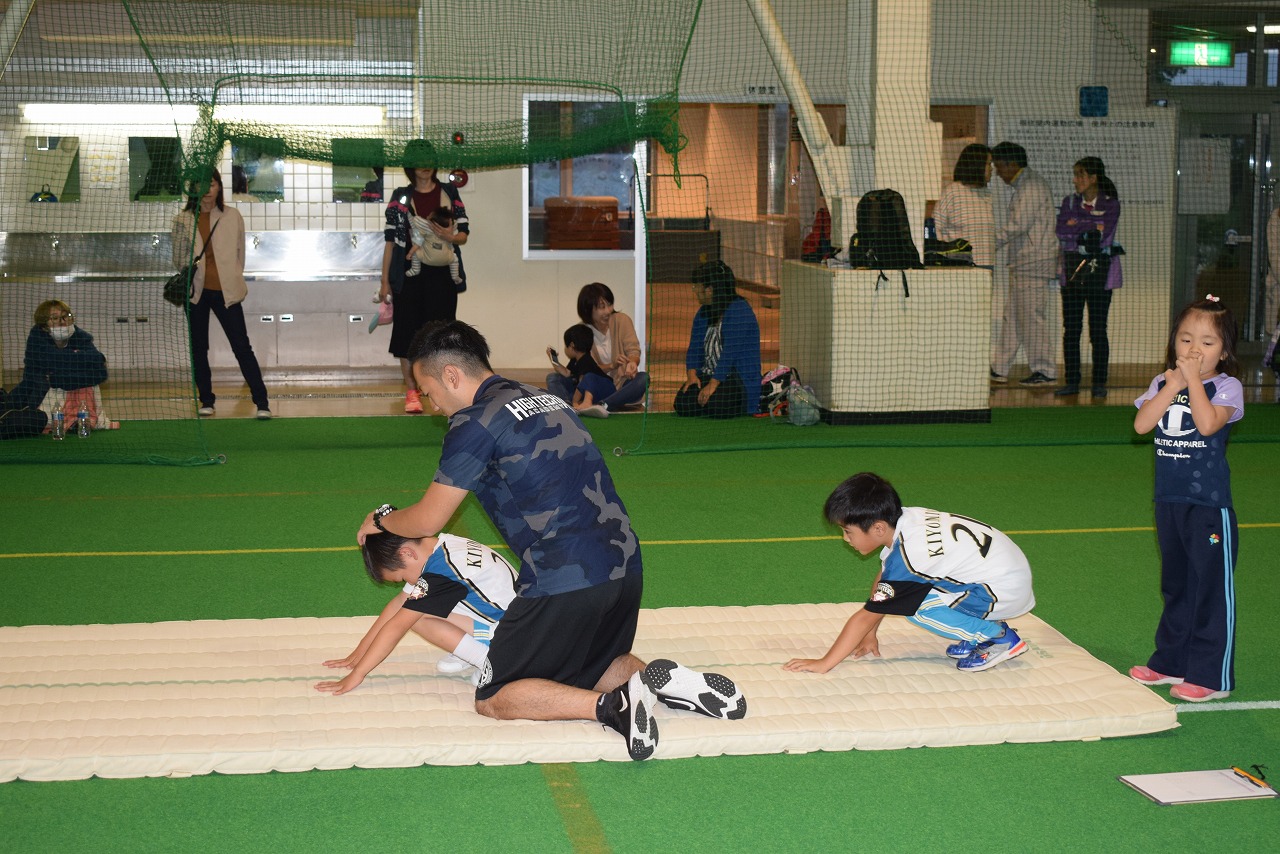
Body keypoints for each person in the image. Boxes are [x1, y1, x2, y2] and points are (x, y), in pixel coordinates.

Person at [356, 320, 745, 761]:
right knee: (588, 664)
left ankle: (610, 707)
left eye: (428, 391)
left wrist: (383, 520)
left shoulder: (474, 422)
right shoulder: (544, 397)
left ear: (450, 375)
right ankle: (667, 680)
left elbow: (429, 518)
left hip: (565, 574)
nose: (433, 405)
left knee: (493, 696)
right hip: (625, 565)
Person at [783, 472, 1035, 674]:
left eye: (848, 532)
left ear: (878, 528)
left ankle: (999, 637)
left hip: (1002, 590)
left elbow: (868, 614)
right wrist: (870, 635)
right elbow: (885, 583)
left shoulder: (910, 555)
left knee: (915, 609)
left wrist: (824, 663)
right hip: (1001, 577)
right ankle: (980, 626)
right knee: (908, 595)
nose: (845, 539)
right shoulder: (905, 520)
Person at [1130, 296, 1243, 703]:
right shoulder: (1163, 383)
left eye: (1208, 343)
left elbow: (1209, 423)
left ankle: (1211, 675)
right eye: (1186, 339)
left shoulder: (1227, 386)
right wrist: (1172, 385)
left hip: (1209, 508)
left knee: (1211, 588)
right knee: (1176, 585)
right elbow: (1142, 424)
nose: (1194, 350)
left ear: (1225, 351)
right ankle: (1171, 661)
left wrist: (1193, 380)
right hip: (1169, 502)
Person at [316, 527, 518, 694]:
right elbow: (398, 603)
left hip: (515, 635)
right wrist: (361, 650)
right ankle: (475, 648)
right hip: (520, 618)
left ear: (407, 553)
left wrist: (358, 674)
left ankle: (492, 663)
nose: (407, 583)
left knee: (416, 617)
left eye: (403, 577)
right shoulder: (443, 548)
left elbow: (397, 625)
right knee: (413, 607)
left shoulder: (439, 574)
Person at [171, 168, 272, 420]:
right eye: (201, 184)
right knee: (198, 348)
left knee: (241, 346)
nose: (207, 189)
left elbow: (240, 255)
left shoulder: (232, 216)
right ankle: (206, 400)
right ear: (192, 188)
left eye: (212, 183)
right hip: (196, 292)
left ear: (219, 187)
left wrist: (233, 276)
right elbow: (177, 258)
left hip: (226, 291)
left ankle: (262, 402)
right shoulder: (183, 220)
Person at [381, 140, 469, 414]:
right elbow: (390, 241)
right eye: (418, 160)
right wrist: (384, 280)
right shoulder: (401, 196)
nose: (424, 166)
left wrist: (450, 236)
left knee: (442, 335)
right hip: (409, 273)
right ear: (410, 165)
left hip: (442, 275)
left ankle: (442, 392)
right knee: (407, 334)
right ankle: (412, 393)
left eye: (428, 159)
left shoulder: (449, 192)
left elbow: (464, 233)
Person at [990, 142, 1059, 387]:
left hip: (1034, 262)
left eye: (999, 167)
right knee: (1013, 316)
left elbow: (1018, 226)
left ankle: (1045, 370)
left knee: (1030, 317)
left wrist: (987, 242)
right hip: (1023, 263)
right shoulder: (1024, 185)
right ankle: (999, 368)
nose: (997, 172)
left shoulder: (1031, 186)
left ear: (1012, 164)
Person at [1055, 156, 1123, 399]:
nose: (1075, 180)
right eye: (1075, 175)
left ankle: (1098, 384)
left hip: (1100, 276)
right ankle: (1072, 382)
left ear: (1094, 178)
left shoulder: (1111, 204)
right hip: (1072, 275)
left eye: (1080, 175)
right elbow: (1062, 231)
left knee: (1098, 330)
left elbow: (1103, 239)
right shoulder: (1068, 202)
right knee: (1071, 329)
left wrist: (1079, 225)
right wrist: (1091, 225)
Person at [673, 260, 761, 418]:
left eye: (696, 286)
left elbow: (729, 354)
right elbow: (694, 348)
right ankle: (707, 399)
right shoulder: (703, 312)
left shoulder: (739, 310)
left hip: (735, 378)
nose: (694, 290)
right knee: (683, 404)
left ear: (709, 290)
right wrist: (692, 376)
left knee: (717, 406)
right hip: (708, 373)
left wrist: (713, 384)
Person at [544, 283, 648, 413]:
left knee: (643, 378)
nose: (608, 311)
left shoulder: (622, 320)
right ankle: (568, 408)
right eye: (601, 307)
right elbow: (589, 369)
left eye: (609, 305)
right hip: (591, 389)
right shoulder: (582, 331)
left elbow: (633, 350)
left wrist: (632, 362)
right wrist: (612, 365)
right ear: (588, 310)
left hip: (621, 386)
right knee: (553, 378)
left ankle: (603, 405)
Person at [23, 299, 118, 429]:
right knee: (76, 384)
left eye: (66, 316)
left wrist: (57, 378)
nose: (62, 321)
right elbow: (54, 361)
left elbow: (100, 372)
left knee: (89, 385)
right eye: (55, 318)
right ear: (44, 326)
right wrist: (82, 367)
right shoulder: (37, 340)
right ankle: (58, 422)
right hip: (41, 393)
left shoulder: (82, 337)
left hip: (67, 385)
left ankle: (84, 421)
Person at [933, 143, 995, 267]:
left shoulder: (990, 195)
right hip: (962, 268)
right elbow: (936, 228)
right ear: (977, 165)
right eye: (989, 164)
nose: (992, 168)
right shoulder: (952, 193)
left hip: (988, 266)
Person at [546, 323, 615, 419]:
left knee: (586, 378)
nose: (565, 349)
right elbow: (566, 373)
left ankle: (571, 405)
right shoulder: (575, 360)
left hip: (594, 392)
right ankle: (565, 403)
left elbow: (583, 384)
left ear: (572, 345)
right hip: (580, 394)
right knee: (553, 377)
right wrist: (554, 360)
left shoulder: (586, 360)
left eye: (566, 346)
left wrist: (575, 402)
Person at [406, 206, 463, 286]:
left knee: (416, 253)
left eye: (429, 216)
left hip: (427, 259)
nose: (427, 217)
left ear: (432, 222)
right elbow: (455, 223)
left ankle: (415, 269)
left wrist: (410, 253)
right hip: (446, 259)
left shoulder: (427, 229)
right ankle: (455, 276)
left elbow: (417, 242)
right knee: (454, 259)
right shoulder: (449, 231)